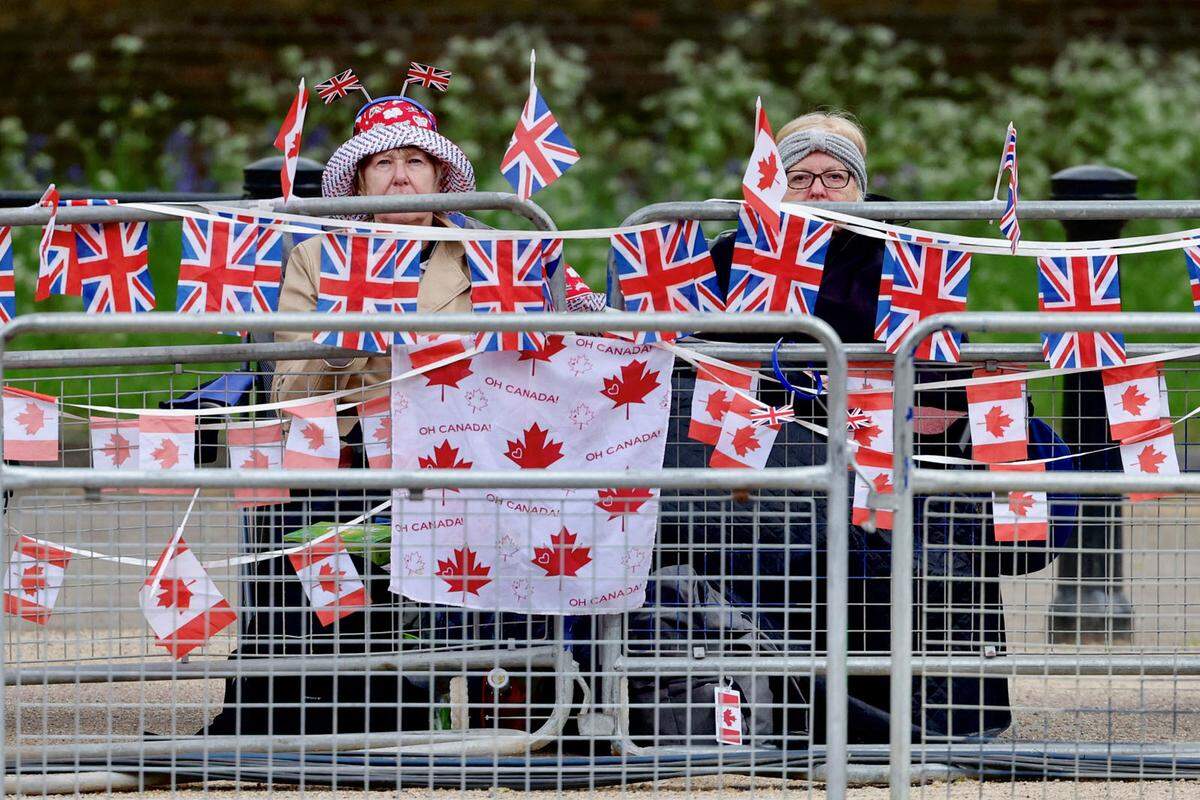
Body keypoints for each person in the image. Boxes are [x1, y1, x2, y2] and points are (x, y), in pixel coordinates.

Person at [644, 110, 1068, 746]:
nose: (817, 189)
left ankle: (912, 715)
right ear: (769, 182)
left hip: (881, 470)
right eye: (799, 174)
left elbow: (945, 372)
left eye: (836, 175)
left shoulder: (912, 261)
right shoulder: (726, 259)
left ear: (861, 186)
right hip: (753, 480)